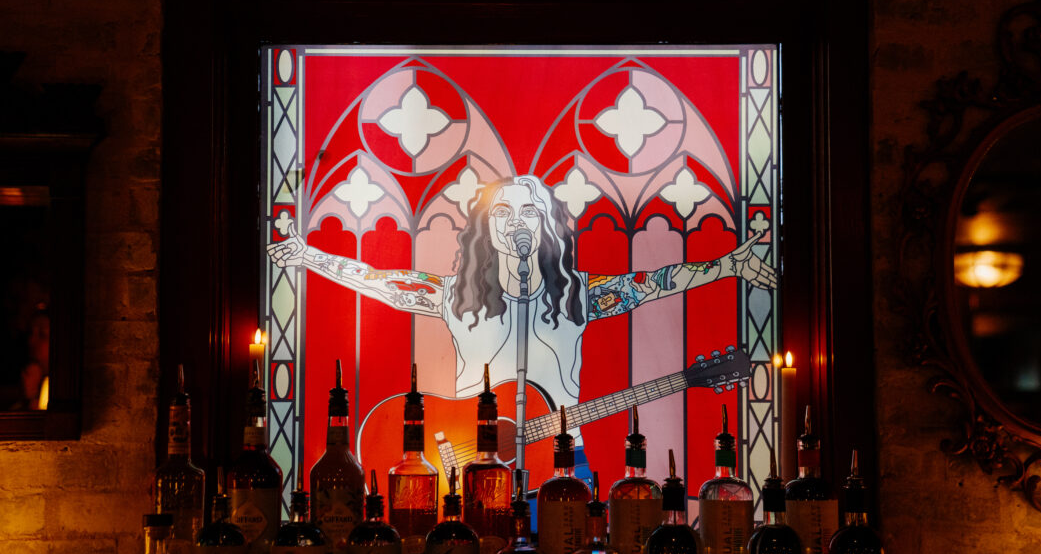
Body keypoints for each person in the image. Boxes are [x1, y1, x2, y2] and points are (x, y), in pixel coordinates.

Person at [268, 174, 776, 415]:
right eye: (503, 214)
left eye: (529, 212)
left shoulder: (577, 296)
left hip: (561, 460)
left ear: (548, 226)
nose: (516, 224)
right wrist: (308, 256)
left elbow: (656, 283)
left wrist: (728, 266)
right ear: (486, 230)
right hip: (474, 456)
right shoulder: (456, 298)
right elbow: (379, 282)